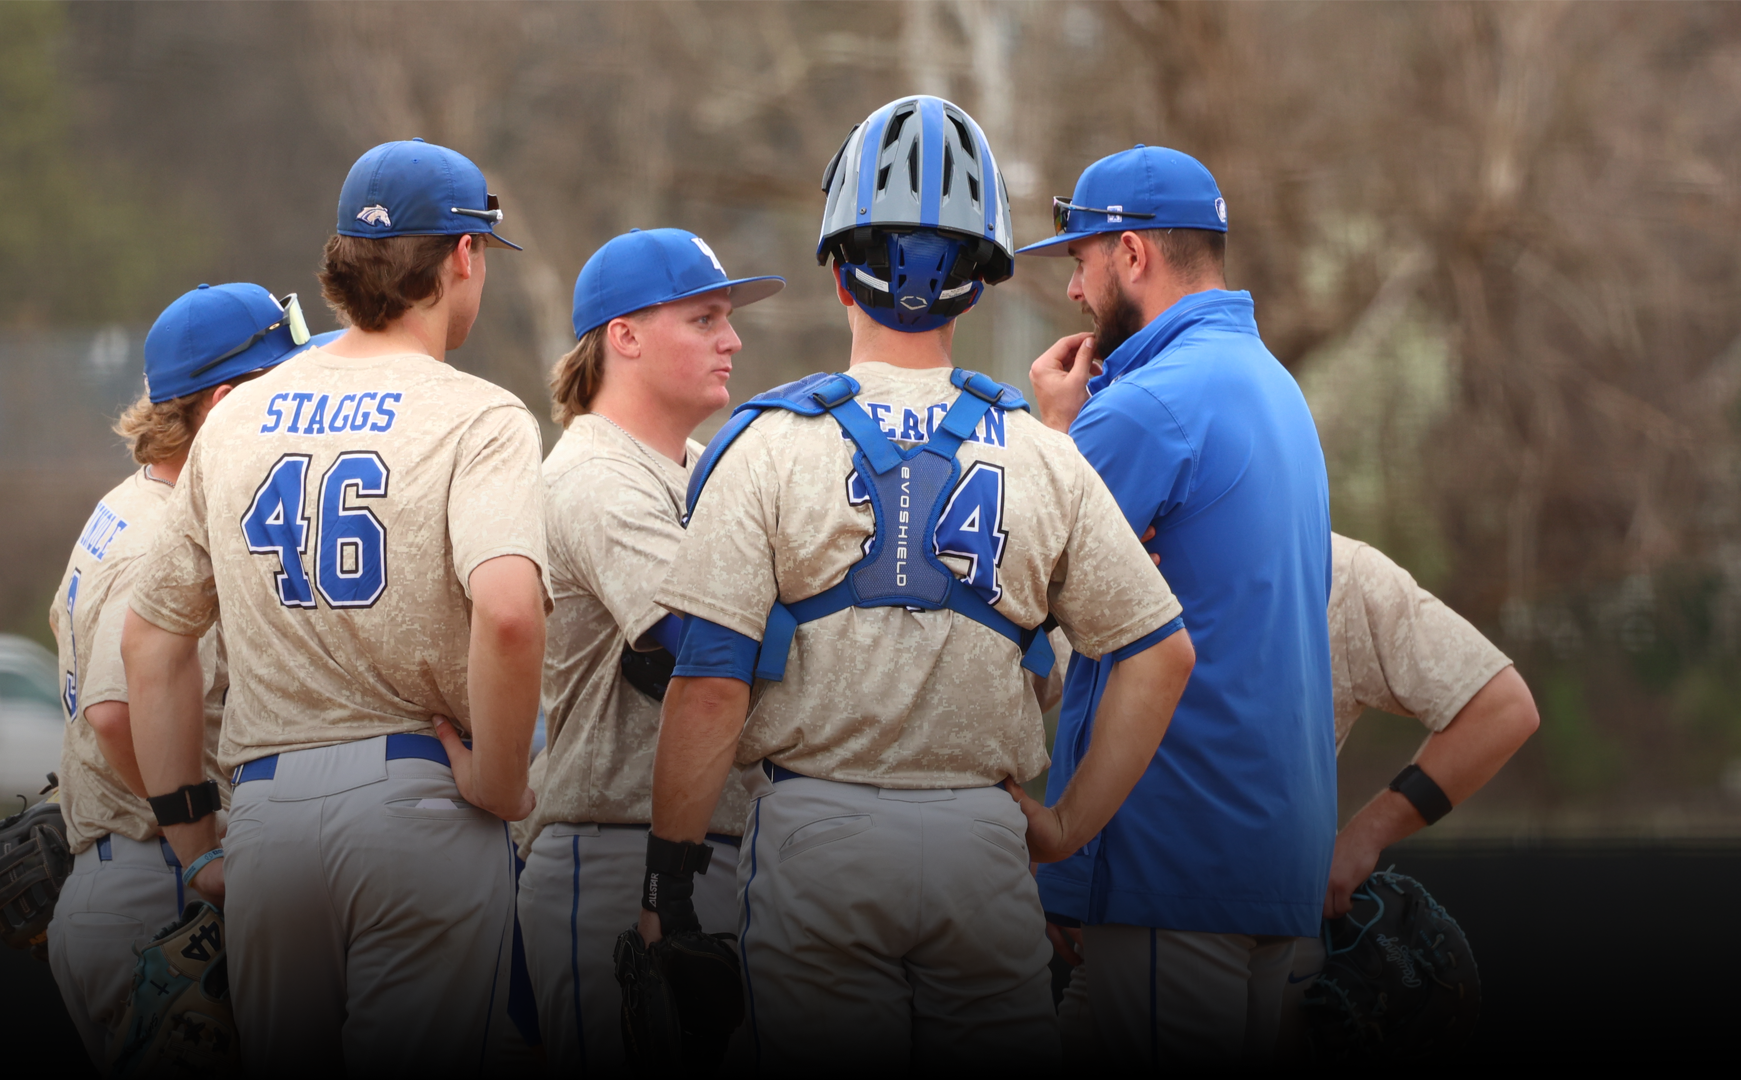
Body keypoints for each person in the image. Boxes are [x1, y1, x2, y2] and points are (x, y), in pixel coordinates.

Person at [638, 95, 1193, 1071]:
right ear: (977, 287)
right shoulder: (1043, 452)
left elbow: (714, 681)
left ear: (837, 272)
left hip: (819, 837)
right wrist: (1063, 827)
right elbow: (1160, 655)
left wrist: (671, 885)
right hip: (984, 841)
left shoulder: (766, 446)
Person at [122, 138, 549, 1075]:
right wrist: (501, 782)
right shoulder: (480, 416)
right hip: (420, 802)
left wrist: (197, 848)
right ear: (463, 257)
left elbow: (151, 642)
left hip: (269, 814)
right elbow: (511, 614)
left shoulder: (236, 416)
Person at [1021, 145, 1334, 1069]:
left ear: (1131, 253)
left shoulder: (1149, 405)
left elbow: (1019, 591)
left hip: (1173, 858)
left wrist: (1052, 435)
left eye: (1079, 260)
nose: (1075, 291)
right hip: (1272, 857)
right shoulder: (1274, 387)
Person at [1052, 531, 1540, 1059]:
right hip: (1209, 919)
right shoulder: (1117, 552)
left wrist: (1364, 836)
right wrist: (1057, 868)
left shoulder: (1343, 569)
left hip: (1180, 911)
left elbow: (1502, 708)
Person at [518, 227, 784, 1073]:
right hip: (613, 851)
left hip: (707, 851)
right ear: (624, 336)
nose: (732, 339)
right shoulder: (595, 476)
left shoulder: (700, 466)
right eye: (704, 318)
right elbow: (709, 644)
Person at [45, 283, 328, 1071]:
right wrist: (198, 851)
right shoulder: (161, 531)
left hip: (125, 874)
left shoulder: (131, 501)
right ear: (225, 403)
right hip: (161, 885)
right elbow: (112, 709)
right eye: (278, 386)